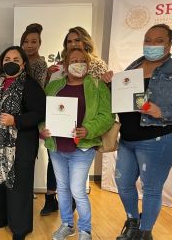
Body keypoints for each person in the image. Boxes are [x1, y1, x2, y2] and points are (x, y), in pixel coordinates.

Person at [101, 24, 172, 240]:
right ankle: (133, 223)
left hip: (160, 138)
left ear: (169, 44)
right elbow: (127, 101)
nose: (152, 44)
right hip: (129, 138)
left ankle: (144, 233)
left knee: (150, 188)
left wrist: (162, 111)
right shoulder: (134, 67)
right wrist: (111, 84)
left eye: (158, 40)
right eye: (148, 39)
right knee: (123, 182)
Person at [41, 48, 114, 240]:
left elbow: (107, 116)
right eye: (74, 60)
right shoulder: (53, 86)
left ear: (89, 65)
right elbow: (43, 114)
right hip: (57, 147)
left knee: (78, 190)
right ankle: (67, 224)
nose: (79, 63)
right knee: (62, 188)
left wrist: (88, 129)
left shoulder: (98, 87)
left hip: (83, 147)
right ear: (65, 65)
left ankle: (85, 229)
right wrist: (43, 129)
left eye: (83, 60)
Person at [0, 46, 46, 240]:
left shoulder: (30, 85)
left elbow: (39, 112)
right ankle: (2, 216)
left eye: (16, 59)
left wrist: (16, 120)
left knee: (19, 185)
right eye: (7, 58)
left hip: (20, 144)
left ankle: (20, 227)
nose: (11, 62)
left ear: (23, 63)